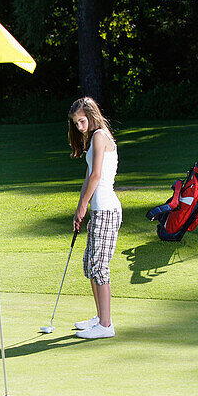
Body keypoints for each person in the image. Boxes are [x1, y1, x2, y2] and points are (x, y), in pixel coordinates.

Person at [67, 96, 121, 339]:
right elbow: (88, 179)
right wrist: (81, 208)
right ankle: (100, 317)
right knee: (91, 263)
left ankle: (106, 325)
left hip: (107, 209)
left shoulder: (100, 136)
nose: (79, 127)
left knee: (100, 266)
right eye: (76, 123)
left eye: (81, 121)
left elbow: (97, 176)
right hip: (98, 210)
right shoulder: (92, 140)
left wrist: (84, 206)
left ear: (91, 115)